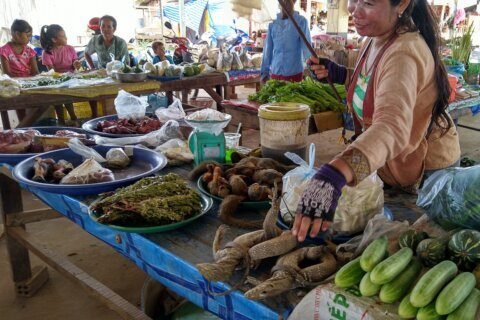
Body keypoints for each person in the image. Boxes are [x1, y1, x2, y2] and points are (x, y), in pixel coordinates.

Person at [293, 0, 461, 242]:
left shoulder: (405, 51)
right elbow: (375, 83)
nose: (354, 10)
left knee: (421, 245)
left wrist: (336, 173)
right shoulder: (374, 37)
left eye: (368, 3)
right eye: (353, 0)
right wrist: (340, 74)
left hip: (427, 171)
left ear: (401, 4)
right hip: (393, 162)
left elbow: (392, 127)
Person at [260, 0, 311, 83]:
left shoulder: (300, 21)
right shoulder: (273, 22)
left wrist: (264, 73)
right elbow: (307, 51)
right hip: (283, 72)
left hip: (288, 72)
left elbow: (307, 51)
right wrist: (264, 73)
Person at [40, 24, 81, 124]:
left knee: (68, 99)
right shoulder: (47, 53)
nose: (66, 38)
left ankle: (73, 118)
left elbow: (75, 62)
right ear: (54, 39)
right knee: (57, 100)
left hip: (71, 80)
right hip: (57, 81)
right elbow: (52, 72)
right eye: (63, 36)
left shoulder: (70, 49)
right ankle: (61, 121)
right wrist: (63, 77)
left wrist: (76, 64)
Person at [0, 19, 39, 121]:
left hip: (29, 83)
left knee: (39, 102)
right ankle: (23, 125)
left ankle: (31, 124)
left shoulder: (30, 51)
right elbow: (6, 73)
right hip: (14, 83)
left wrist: (36, 80)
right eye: (28, 35)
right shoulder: (4, 51)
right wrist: (20, 82)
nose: (29, 39)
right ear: (17, 34)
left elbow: (35, 72)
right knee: (19, 102)